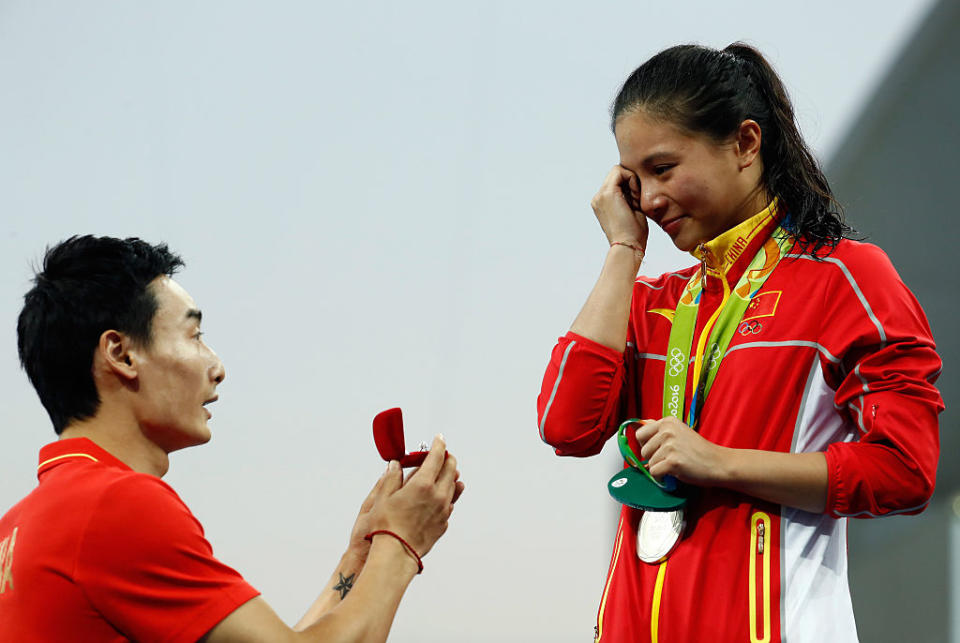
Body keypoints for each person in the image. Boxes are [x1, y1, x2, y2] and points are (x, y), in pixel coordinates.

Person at [537, 43, 942, 642]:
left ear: (746, 143)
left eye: (664, 168)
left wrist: (719, 463)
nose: (648, 200)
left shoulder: (844, 279)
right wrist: (624, 251)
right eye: (634, 178)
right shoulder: (653, 303)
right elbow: (565, 427)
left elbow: (905, 469)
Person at [0, 235, 464, 642]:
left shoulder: (20, 525)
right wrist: (401, 540)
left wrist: (359, 557)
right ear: (121, 353)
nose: (217, 366)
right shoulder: (117, 506)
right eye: (194, 335)